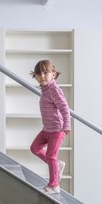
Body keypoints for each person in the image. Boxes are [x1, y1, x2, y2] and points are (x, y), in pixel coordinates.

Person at [30, 59, 71, 194]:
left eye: (45, 73)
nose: (42, 76)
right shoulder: (45, 90)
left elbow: (65, 108)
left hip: (57, 130)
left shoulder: (54, 90)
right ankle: (56, 165)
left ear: (53, 74)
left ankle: (54, 185)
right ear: (35, 76)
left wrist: (66, 125)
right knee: (35, 148)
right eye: (38, 73)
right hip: (47, 129)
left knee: (51, 155)